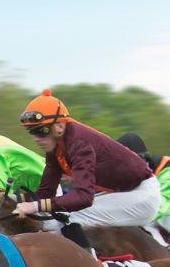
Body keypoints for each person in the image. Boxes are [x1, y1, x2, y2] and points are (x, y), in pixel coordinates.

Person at [12, 89, 159, 252]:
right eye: (32, 132)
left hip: (142, 196)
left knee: (67, 217)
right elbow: (45, 193)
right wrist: (12, 199)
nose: (37, 139)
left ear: (60, 125)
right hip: (126, 191)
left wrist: (35, 206)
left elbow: (83, 198)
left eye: (41, 131)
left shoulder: (79, 143)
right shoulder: (55, 145)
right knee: (52, 218)